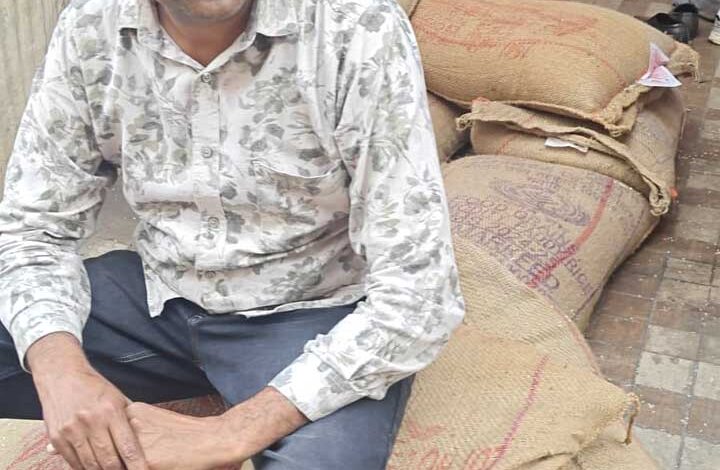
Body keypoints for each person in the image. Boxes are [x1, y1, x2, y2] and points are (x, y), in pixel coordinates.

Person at [0, 0, 465, 469]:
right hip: (157, 295)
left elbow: (420, 293)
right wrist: (60, 371)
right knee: (30, 329)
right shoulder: (91, 26)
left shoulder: (354, 27)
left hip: (309, 313)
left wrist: (230, 433)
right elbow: (34, 228)